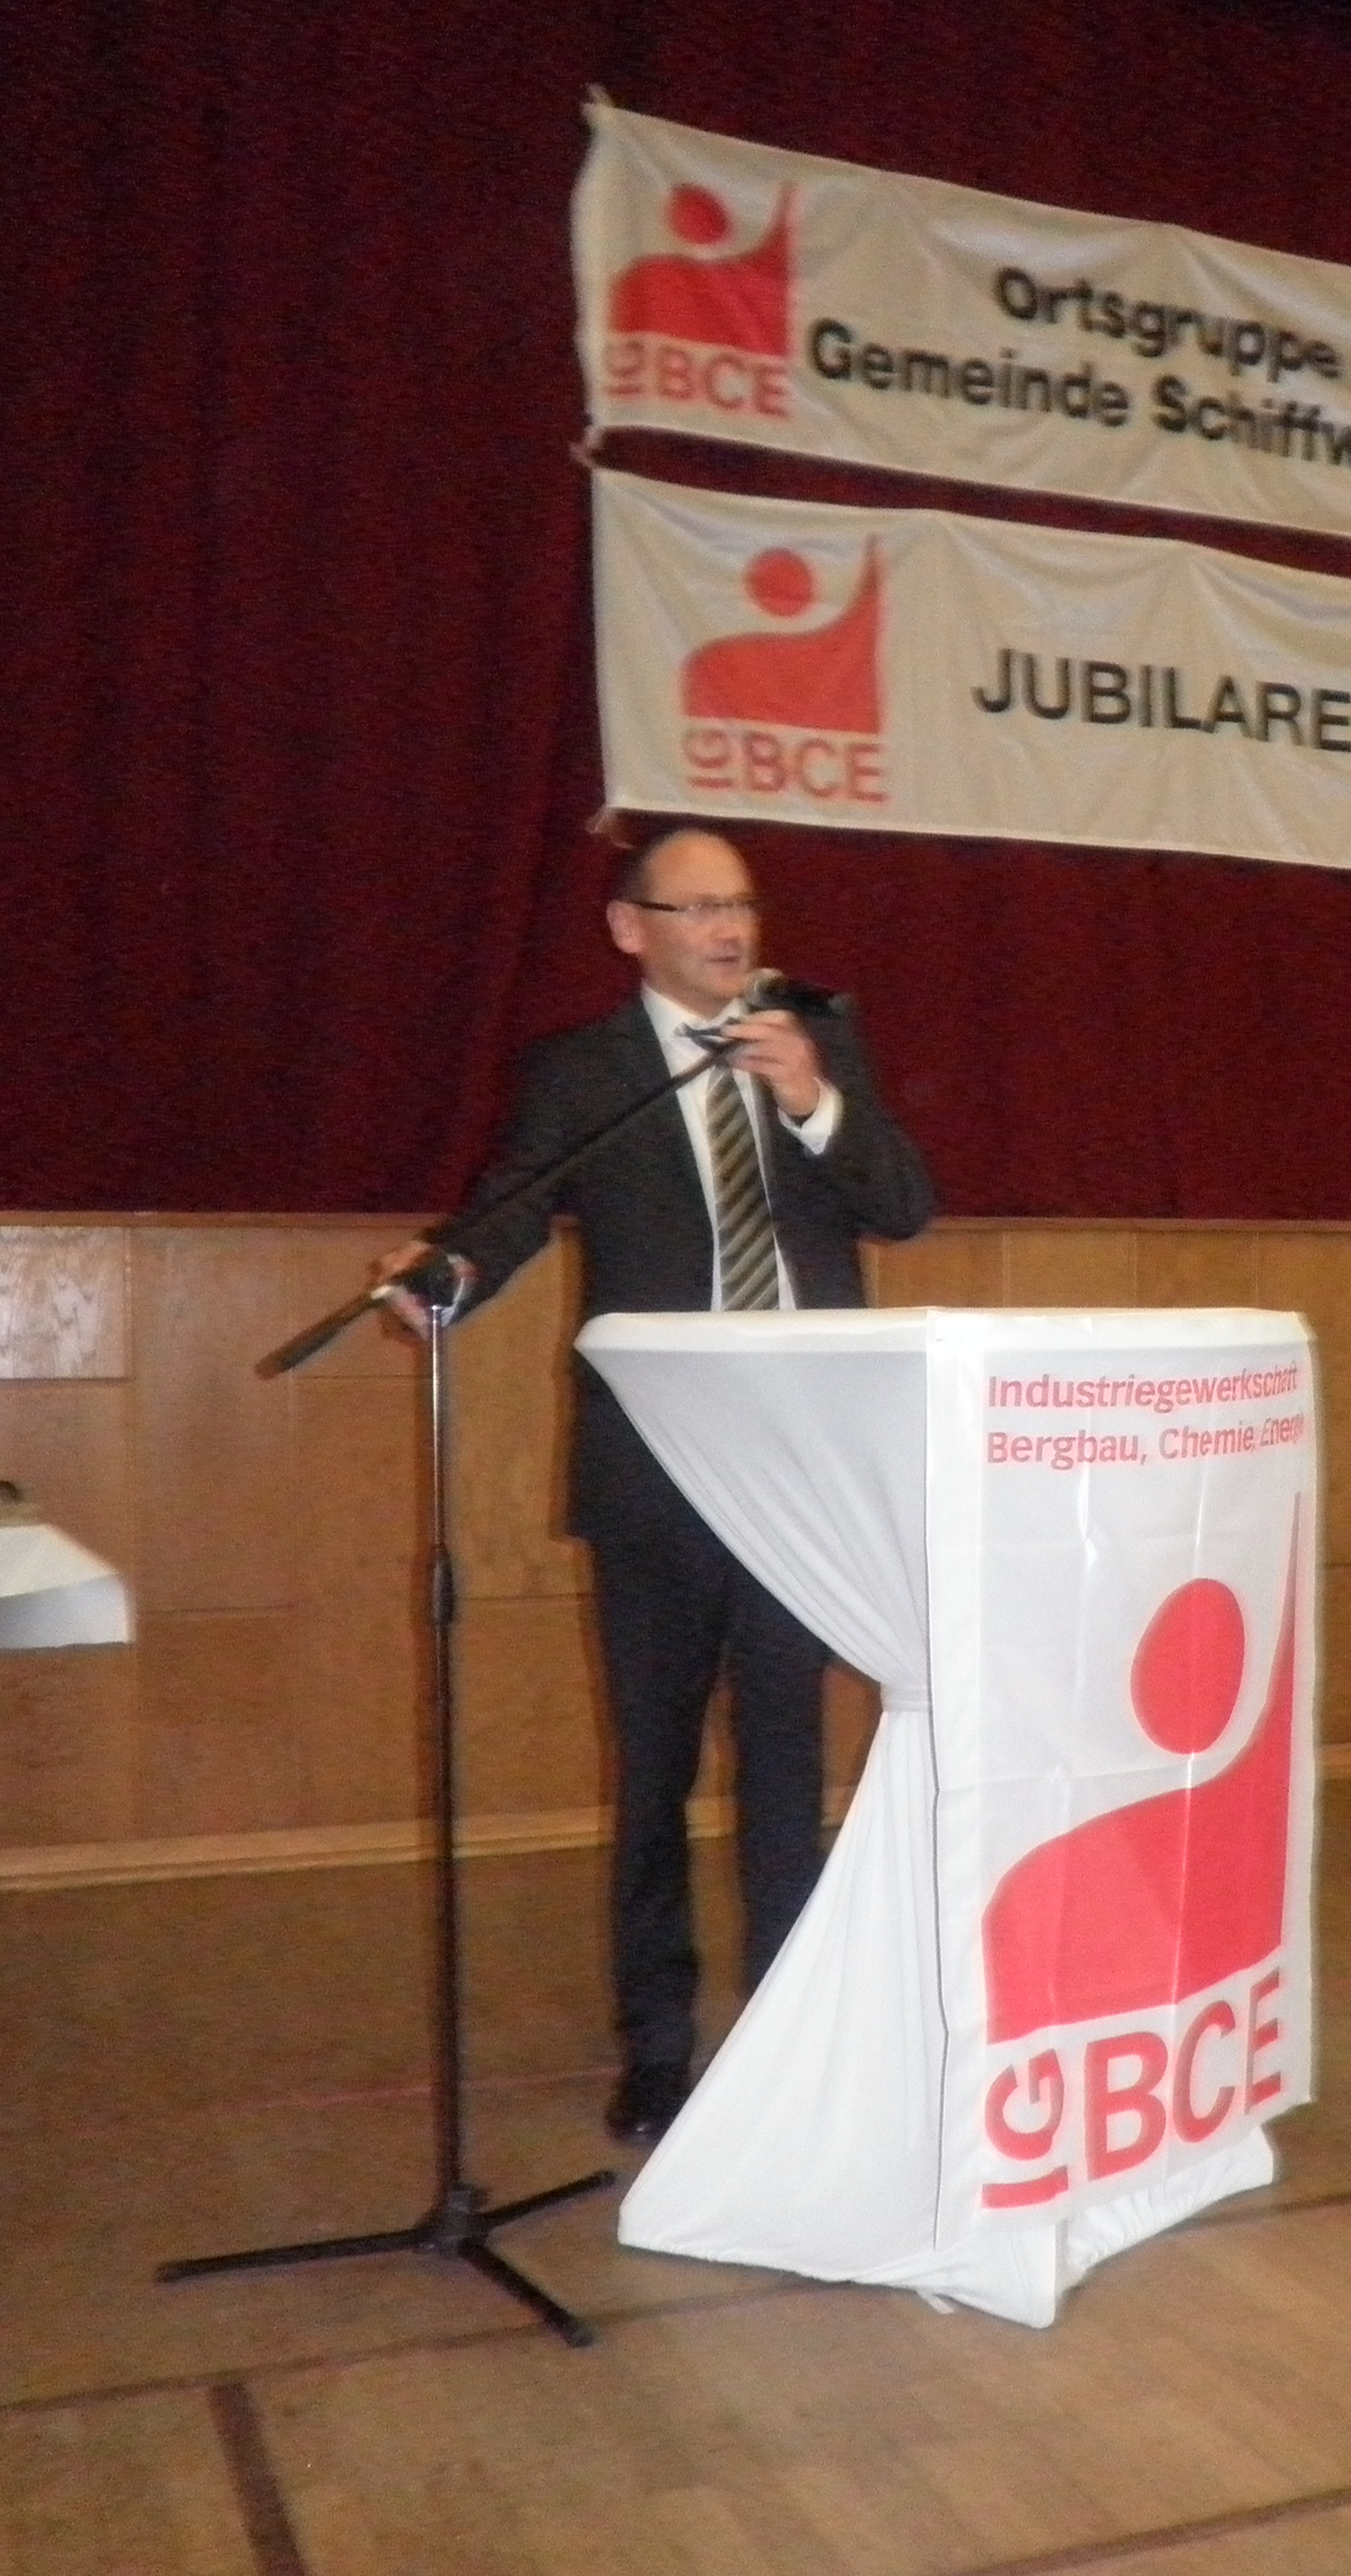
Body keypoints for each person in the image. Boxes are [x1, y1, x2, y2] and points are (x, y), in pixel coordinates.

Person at [379, 824, 938, 2142]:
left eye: (740, 906)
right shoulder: (586, 1070)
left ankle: (796, 2026)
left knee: (789, 1759)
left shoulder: (814, 1039)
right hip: (657, 1472)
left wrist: (812, 1102)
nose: (729, 931)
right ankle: (658, 2043)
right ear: (631, 929)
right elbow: (515, 1206)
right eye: (696, 910)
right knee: (655, 1768)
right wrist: (445, 1272)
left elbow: (902, 1206)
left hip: (803, 1468)